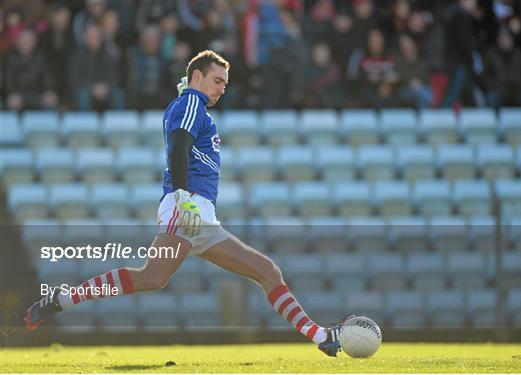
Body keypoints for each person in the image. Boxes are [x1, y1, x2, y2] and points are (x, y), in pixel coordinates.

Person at [24, 50, 343, 357]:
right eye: (217, 80)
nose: (222, 88)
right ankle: (60, 300)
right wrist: (181, 196)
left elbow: (180, 136)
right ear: (197, 76)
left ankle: (321, 337)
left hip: (200, 215)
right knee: (155, 277)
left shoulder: (190, 104)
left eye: (225, 83)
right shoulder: (192, 103)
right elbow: (178, 148)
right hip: (187, 207)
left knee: (262, 271)